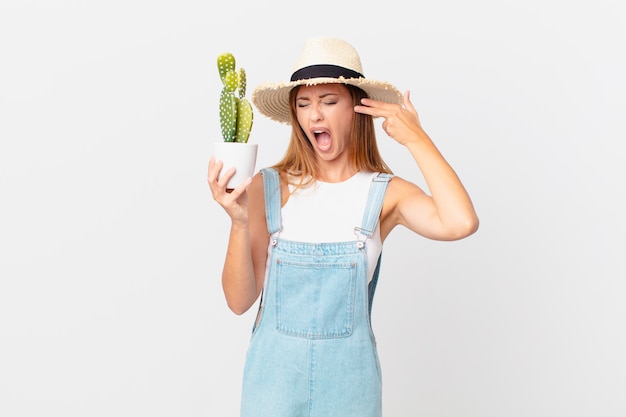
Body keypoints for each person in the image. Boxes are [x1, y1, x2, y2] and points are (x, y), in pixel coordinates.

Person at [207, 37, 479, 417]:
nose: (314, 116)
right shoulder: (267, 187)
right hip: (271, 389)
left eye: (329, 102)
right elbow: (238, 302)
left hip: (349, 392)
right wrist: (239, 222)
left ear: (357, 106)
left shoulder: (385, 194)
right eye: (303, 104)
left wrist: (416, 137)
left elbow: (461, 221)